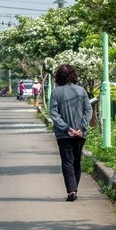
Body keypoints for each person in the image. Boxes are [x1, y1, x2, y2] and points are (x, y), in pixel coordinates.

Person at [49, 63, 93, 201]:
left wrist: (67, 128)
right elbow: (88, 110)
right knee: (76, 162)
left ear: (58, 77)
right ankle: (74, 189)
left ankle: (71, 190)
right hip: (80, 134)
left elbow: (54, 113)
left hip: (63, 135)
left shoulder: (56, 92)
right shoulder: (81, 91)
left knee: (67, 162)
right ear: (73, 75)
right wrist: (81, 128)